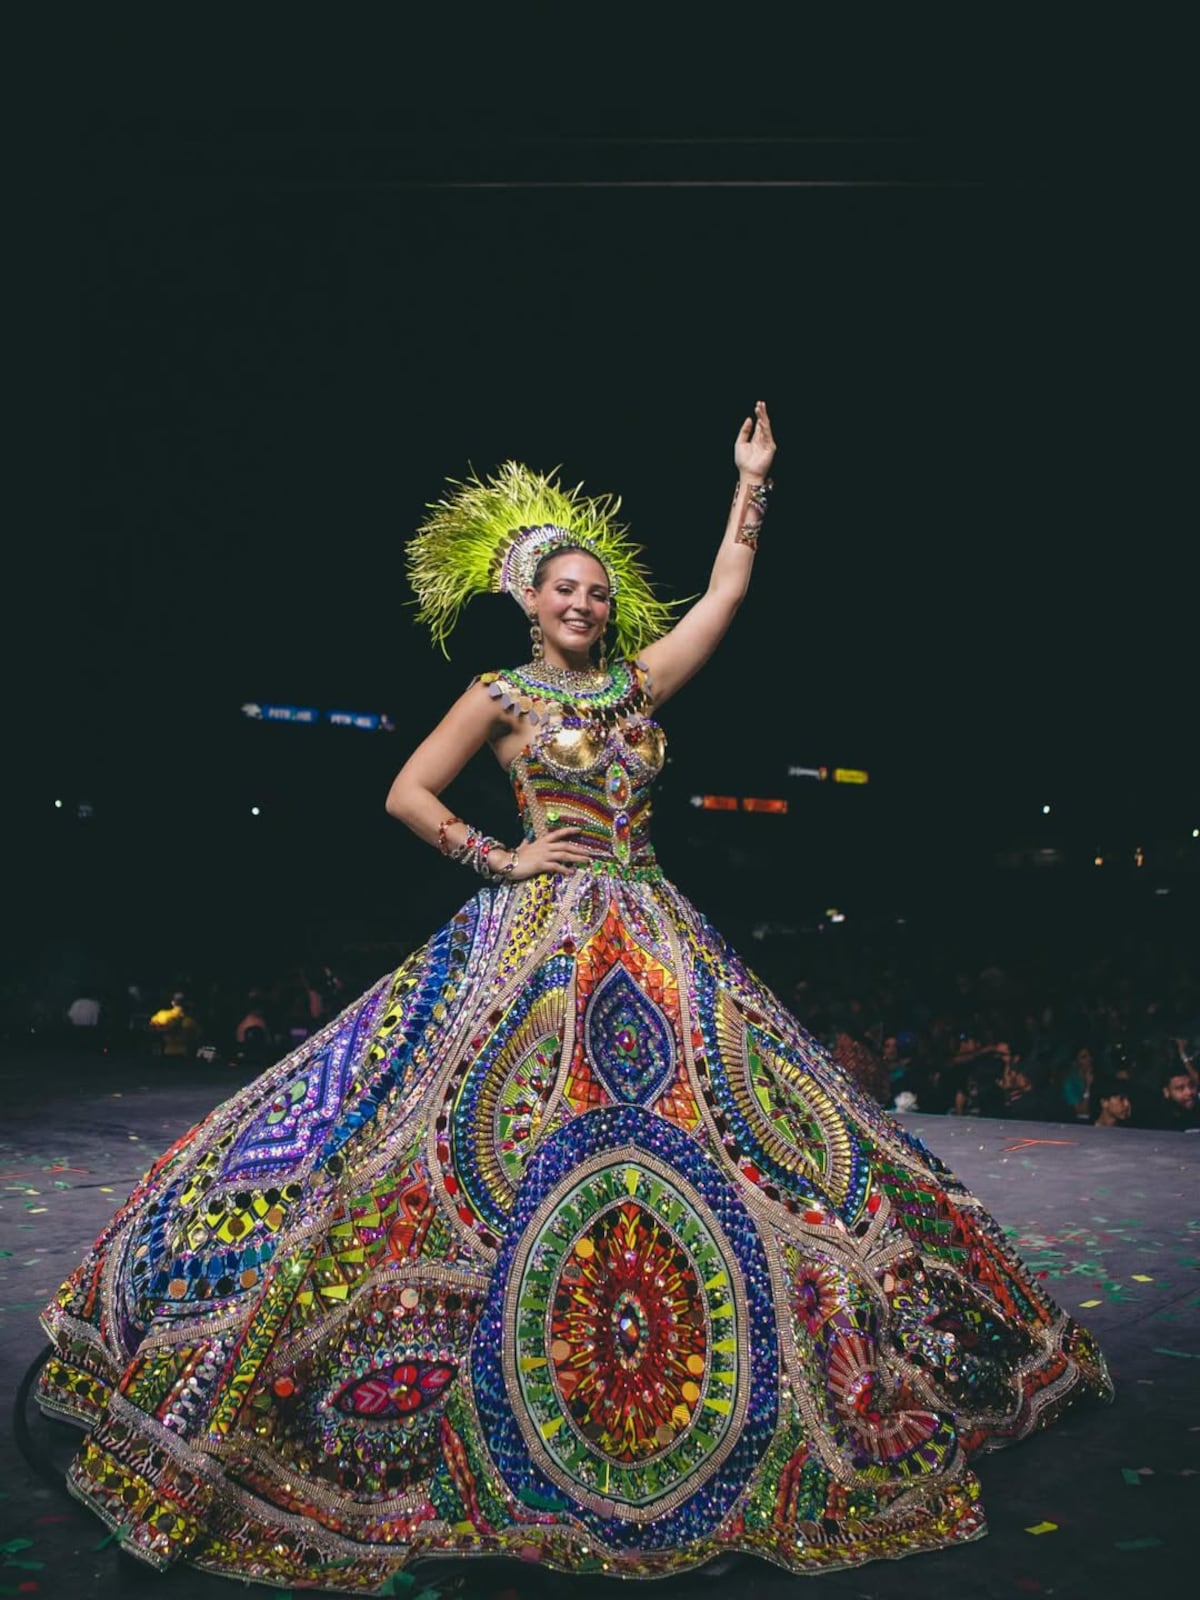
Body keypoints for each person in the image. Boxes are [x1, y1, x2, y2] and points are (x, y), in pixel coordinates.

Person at [38, 406, 1111, 1588]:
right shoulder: (498, 695)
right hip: (539, 935)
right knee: (457, 1142)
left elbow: (726, 594)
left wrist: (749, 482)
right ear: (530, 600)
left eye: (597, 592)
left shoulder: (642, 683)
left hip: (654, 931)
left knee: (755, 1140)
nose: (585, 603)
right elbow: (406, 789)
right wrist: (500, 858)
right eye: (566, 589)